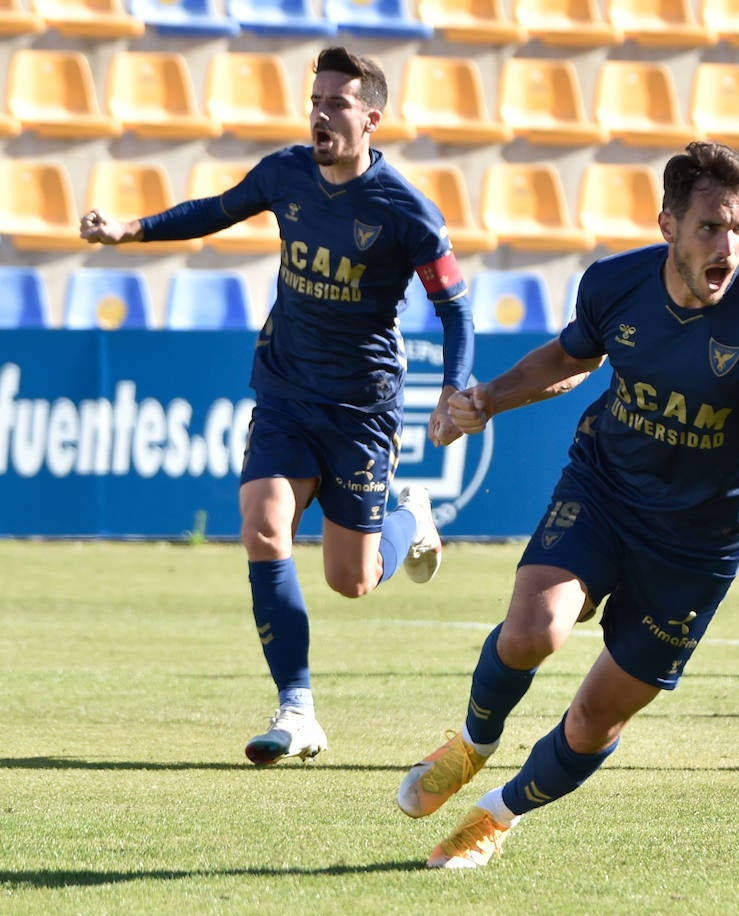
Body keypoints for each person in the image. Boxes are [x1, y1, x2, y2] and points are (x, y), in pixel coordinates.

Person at [394, 141, 739, 868]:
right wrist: (489, 400)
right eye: (710, 229)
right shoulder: (614, 284)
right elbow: (572, 358)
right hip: (605, 489)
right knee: (532, 629)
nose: (729, 246)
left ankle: (496, 817)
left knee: (599, 715)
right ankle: (471, 745)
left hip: (697, 543)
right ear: (667, 225)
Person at [80, 47, 475, 766]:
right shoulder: (285, 173)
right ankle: (297, 710)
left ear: (371, 118)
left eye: (337, 104)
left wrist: (454, 388)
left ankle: (411, 519)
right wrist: (130, 229)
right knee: (263, 527)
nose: (320, 114)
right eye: (315, 99)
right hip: (286, 389)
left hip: (361, 408)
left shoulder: (406, 210)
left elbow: (454, 306)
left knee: (350, 581)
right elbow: (215, 211)